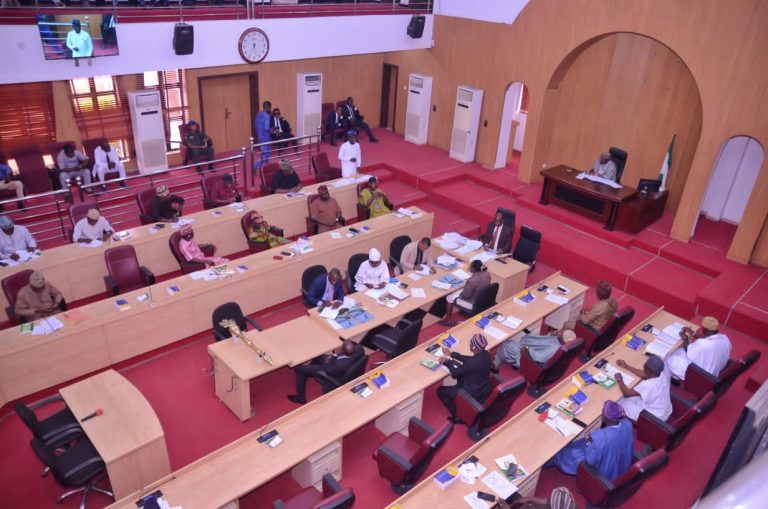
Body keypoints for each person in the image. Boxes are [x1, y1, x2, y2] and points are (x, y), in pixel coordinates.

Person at [546, 401, 633, 482]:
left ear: (606, 418)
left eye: (602, 411)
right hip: (620, 463)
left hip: (604, 472)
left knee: (564, 454)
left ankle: (547, 463)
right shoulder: (627, 423)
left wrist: (588, 442)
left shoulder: (600, 438)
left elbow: (590, 460)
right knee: (579, 443)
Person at [287, 340, 364, 404]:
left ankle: (301, 398)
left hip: (330, 370)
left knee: (301, 370)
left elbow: (327, 367)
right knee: (319, 356)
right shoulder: (359, 349)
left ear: (342, 351)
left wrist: (334, 355)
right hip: (338, 363)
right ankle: (309, 369)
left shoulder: (339, 365)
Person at [437, 333, 492, 422]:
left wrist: (447, 361)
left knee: (440, 391)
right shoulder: (486, 354)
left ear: (474, 347)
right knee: (458, 366)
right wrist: (452, 354)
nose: (469, 344)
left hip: (473, 394)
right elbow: (469, 359)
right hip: (483, 390)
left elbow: (455, 374)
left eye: (471, 343)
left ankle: (457, 416)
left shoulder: (472, 363)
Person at [666, 316, 732, 380]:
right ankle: (675, 375)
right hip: (715, 369)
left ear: (705, 329)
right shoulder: (725, 338)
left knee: (670, 357)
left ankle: (672, 377)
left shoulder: (703, 344)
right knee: (678, 351)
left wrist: (685, 339)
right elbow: (710, 339)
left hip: (703, 375)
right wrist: (694, 333)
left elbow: (688, 352)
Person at [615, 355, 672, 422]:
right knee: (634, 398)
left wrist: (619, 379)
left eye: (645, 366)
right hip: (664, 411)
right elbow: (644, 374)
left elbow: (627, 393)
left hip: (654, 418)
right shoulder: (661, 374)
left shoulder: (648, 385)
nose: (644, 365)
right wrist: (627, 367)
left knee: (619, 401)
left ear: (649, 371)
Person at [494, 328, 576, 371]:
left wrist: (527, 348)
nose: (559, 331)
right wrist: (551, 334)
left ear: (563, 339)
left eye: (561, 332)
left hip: (529, 356)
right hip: (530, 349)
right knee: (520, 337)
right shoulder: (558, 341)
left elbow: (539, 358)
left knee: (507, 345)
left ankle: (495, 364)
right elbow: (544, 342)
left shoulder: (555, 348)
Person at [441, 260, 491, 326]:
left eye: (470, 267)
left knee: (449, 297)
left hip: (472, 302)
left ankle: (448, 320)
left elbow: (465, 296)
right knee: (459, 291)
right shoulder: (487, 273)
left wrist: (462, 291)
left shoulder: (472, 280)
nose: (469, 267)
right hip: (482, 298)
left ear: (473, 268)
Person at [497, 486, 576, 509]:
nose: (548, 500)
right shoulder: (567, 504)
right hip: (527, 506)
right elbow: (546, 501)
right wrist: (530, 498)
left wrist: (505, 507)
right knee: (508, 491)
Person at [254, 101, 273, 169]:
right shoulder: (267, 116)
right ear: (268, 107)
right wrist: (272, 130)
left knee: (265, 153)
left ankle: (265, 167)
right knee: (266, 154)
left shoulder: (258, 114)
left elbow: (255, 126)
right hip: (266, 138)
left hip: (260, 137)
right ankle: (256, 166)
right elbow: (267, 128)